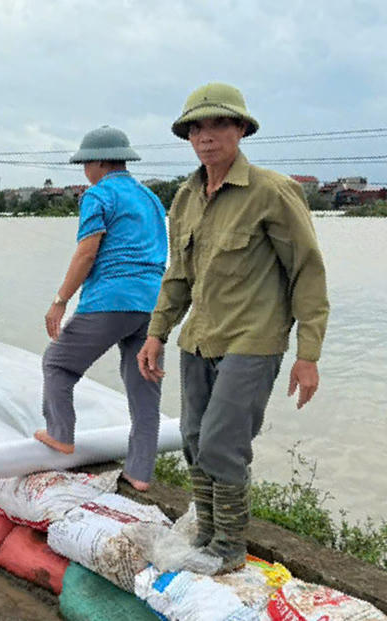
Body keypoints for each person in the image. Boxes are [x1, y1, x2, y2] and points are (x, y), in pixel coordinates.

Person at [136, 83, 329, 574]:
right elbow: (178, 276)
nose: (206, 136)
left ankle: (229, 547)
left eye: (219, 124)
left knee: (223, 443)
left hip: (253, 340)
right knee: (194, 438)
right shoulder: (185, 198)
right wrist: (157, 333)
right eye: (196, 128)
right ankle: (206, 534)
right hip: (199, 337)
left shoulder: (272, 192)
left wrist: (308, 354)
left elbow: (307, 271)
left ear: (241, 129)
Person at [33, 126, 168, 492]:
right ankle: (140, 473)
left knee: (58, 364)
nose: (85, 171)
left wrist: (60, 301)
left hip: (111, 299)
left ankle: (61, 434)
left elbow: (87, 252)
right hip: (153, 305)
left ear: (101, 162)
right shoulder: (151, 198)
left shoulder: (99, 194)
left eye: (86, 164)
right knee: (144, 388)